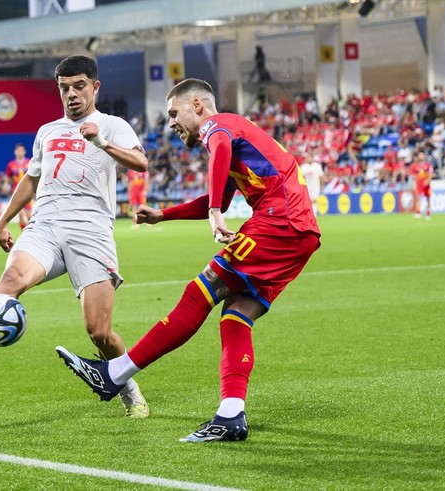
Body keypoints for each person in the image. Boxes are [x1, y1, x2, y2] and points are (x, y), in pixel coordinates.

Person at [56, 78, 321, 442]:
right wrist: (165, 215)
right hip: (299, 232)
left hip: (279, 220)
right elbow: (220, 194)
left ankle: (113, 374)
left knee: (200, 292)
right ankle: (230, 415)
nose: (171, 123)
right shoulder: (234, 136)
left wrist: (214, 214)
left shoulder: (218, 125)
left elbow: (219, 167)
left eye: (173, 113)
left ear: (197, 105)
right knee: (236, 317)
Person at [0, 55, 151, 418]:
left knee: (99, 331)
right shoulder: (47, 131)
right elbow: (31, 178)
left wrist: (102, 143)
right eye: (64, 88)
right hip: (45, 223)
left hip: (90, 229)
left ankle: (129, 390)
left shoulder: (113, 125)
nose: (71, 94)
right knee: (12, 278)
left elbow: (141, 163)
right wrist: (4, 219)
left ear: (95, 87)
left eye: (79, 86)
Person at [4, 143, 32, 230]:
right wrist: (6, 184)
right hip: (16, 192)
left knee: (29, 215)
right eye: (18, 151)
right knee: (20, 214)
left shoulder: (29, 162)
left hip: (28, 191)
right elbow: (7, 176)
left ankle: (32, 232)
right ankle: (23, 233)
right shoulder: (11, 165)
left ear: (24, 152)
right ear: (15, 152)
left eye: (21, 150)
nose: (20, 152)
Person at [408, 151, 433, 220]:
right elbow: (412, 173)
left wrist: (428, 180)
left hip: (426, 183)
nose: (421, 156)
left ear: (424, 156)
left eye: (422, 155)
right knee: (418, 198)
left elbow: (431, 173)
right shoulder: (415, 165)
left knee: (427, 198)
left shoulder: (428, 165)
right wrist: (415, 179)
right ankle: (418, 212)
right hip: (419, 183)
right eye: (420, 155)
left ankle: (428, 213)